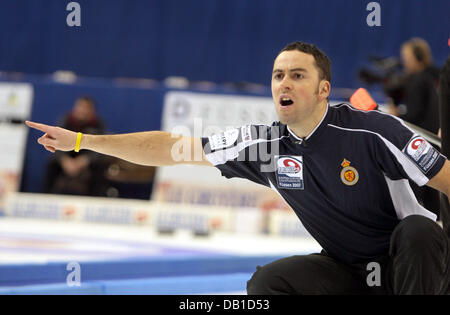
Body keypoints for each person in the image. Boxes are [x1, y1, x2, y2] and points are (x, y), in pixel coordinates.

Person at [26, 41, 450, 295]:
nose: (284, 82)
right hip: (352, 273)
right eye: (278, 74)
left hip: (418, 271)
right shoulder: (265, 147)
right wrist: (84, 141)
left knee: (417, 231)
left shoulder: (373, 131)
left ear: (323, 90)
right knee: (269, 283)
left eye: (297, 75)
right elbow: (174, 147)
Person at [43, 96, 108, 196]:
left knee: (100, 167)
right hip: (68, 155)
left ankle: (94, 198)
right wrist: (65, 161)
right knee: (52, 164)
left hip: (86, 158)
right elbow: (55, 141)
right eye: (80, 107)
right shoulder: (66, 120)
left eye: (86, 108)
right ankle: (47, 195)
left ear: (92, 110)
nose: (83, 110)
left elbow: (100, 147)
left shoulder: (98, 124)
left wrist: (84, 160)